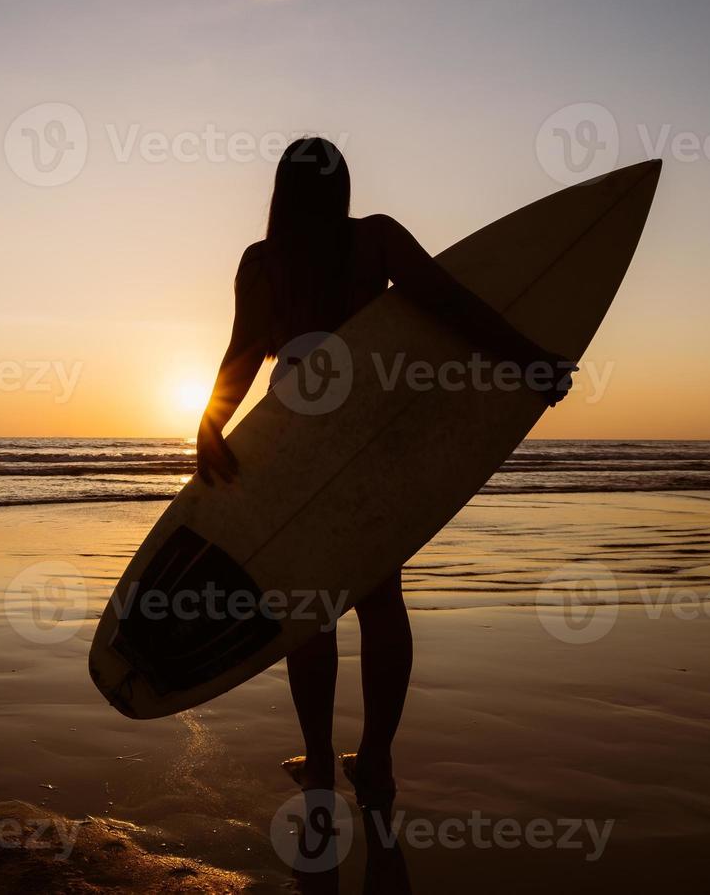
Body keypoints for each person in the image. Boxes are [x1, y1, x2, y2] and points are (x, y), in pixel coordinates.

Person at [194, 137, 574, 809]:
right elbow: (451, 305)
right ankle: (375, 762)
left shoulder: (263, 262)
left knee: (310, 607)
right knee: (378, 595)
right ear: (342, 185)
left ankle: (317, 766)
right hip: (374, 434)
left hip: (296, 437)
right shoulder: (375, 240)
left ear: (280, 191)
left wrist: (211, 421)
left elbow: (245, 352)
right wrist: (529, 360)